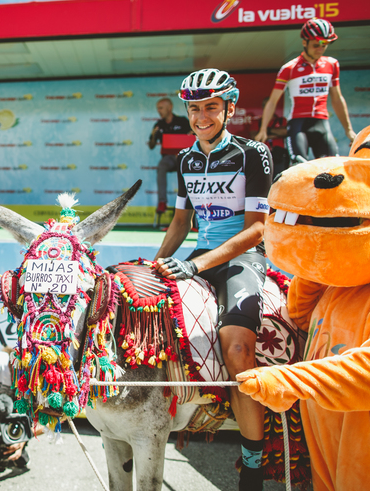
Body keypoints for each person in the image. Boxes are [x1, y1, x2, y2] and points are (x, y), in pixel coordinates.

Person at [154, 69, 273, 491]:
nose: (201, 116)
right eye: (194, 108)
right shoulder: (186, 159)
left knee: (238, 348)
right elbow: (181, 222)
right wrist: (156, 265)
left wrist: (197, 267)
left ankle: (253, 464)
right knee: (148, 320)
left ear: (229, 108)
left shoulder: (252, 153)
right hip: (198, 256)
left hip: (243, 257)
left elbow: (257, 229)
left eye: (210, 107)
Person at [257, 18, 356, 165]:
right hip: (298, 124)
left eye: (325, 44)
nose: (320, 49)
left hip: (321, 122)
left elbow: (337, 98)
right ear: (304, 42)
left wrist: (349, 130)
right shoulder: (289, 68)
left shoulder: (332, 64)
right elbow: (272, 101)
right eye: (316, 45)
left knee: (331, 165)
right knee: (299, 165)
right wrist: (263, 129)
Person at [147, 97, 192, 217]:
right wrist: (152, 136)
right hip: (168, 158)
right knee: (161, 166)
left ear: (169, 108)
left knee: (190, 169)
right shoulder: (158, 125)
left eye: (161, 108)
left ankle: (190, 201)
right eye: (157, 108)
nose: (159, 111)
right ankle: (162, 202)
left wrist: (190, 135)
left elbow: (194, 136)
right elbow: (151, 146)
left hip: (184, 156)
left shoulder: (182, 121)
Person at [253, 97, 288, 178]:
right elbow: (255, 136)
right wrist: (276, 133)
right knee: (263, 179)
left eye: (268, 105)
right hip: (262, 155)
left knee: (280, 178)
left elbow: (285, 132)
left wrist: (265, 131)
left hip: (278, 154)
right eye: (264, 105)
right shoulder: (257, 121)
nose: (266, 107)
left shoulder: (281, 120)